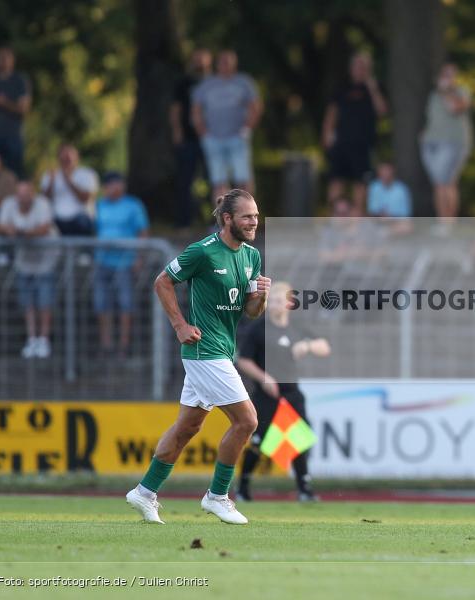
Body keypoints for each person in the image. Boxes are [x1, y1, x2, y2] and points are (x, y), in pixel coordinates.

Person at [125, 189, 271, 525]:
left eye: (256, 216)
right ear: (227, 218)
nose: (254, 222)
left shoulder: (251, 256)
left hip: (221, 350)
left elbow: (249, 312)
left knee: (187, 427)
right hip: (203, 350)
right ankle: (217, 496)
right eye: (247, 216)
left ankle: (145, 492)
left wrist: (261, 297)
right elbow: (162, 282)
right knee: (247, 420)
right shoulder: (203, 252)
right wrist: (179, 325)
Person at [236, 282, 331, 502]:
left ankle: (304, 489)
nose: (274, 306)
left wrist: (307, 346)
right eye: (271, 301)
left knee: (300, 439)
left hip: (291, 391)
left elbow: (324, 347)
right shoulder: (258, 328)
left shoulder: (296, 327)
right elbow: (244, 360)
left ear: (289, 303)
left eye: (279, 301)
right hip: (266, 394)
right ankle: (243, 488)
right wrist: (264, 378)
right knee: (258, 440)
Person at [0, 181, 58, 358]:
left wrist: (21, 233)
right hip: (24, 260)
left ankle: (43, 339)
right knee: (28, 302)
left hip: (45, 260)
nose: (22, 197)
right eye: (19, 193)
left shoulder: (43, 204)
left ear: (33, 193)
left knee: (45, 301)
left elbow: (44, 228)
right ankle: (32, 338)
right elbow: (0, 226)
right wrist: (10, 230)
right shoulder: (9, 204)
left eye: (26, 193)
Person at [322, 52, 388, 214]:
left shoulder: (376, 87)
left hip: (364, 145)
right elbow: (332, 113)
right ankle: (334, 222)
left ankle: (356, 226)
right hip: (341, 144)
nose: (360, 69)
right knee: (336, 182)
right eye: (357, 65)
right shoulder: (342, 87)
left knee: (361, 185)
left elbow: (382, 111)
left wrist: (372, 88)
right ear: (351, 68)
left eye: (363, 66)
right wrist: (326, 134)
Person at [192, 50, 262, 197]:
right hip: (213, 139)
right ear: (217, 65)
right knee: (218, 182)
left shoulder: (244, 83)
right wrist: (203, 133)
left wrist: (247, 129)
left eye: (229, 62)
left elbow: (255, 107)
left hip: (237, 138)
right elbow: (196, 110)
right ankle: (222, 219)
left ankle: (247, 216)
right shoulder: (207, 85)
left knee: (243, 180)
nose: (226, 65)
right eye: (223, 62)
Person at [93, 172, 150, 356]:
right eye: (110, 184)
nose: (114, 187)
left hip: (125, 263)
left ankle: (124, 345)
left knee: (125, 304)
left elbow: (142, 231)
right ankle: (106, 345)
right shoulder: (98, 205)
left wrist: (139, 257)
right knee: (102, 304)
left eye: (117, 184)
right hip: (102, 261)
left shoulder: (133, 205)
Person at [420, 63, 473, 231]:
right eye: (444, 74)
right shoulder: (433, 95)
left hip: (453, 143)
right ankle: (444, 222)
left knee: (444, 182)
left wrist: (446, 91)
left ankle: (446, 223)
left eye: (450, 75)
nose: (446, 78)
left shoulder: (461, 92)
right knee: (441, 183)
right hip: (430, 143)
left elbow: (455, 108)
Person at [170, 48, 212, 228]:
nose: (200, 64)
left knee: (215, 181)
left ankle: (217, 222)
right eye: (197, 60)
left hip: (212, 139)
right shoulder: (183, 83)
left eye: (203, 60)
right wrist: (177, 131)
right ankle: (183, 222)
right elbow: (175, 109)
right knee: (185, 180)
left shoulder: (216, 83)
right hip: (189, 138)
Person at [0, 47, 31, 177]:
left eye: (5, 57)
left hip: (12, 136)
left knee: (14, 174)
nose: (2, 61)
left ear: (12, 60)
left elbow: (24, 109)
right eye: (0, 58)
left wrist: (5, 103)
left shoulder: (19, 81)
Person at [40, 143, 98, 235]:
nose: (66, 161)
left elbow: (85, 199)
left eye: (69, 158)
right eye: (64, 158)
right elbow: (44, 200)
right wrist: (51, 183)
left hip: (80, 219)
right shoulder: (50, 175)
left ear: (77, 158)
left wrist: (69, 181)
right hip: (57, 219)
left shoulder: (88, 174)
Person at [367, 162, 412, 236]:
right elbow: (372, 210)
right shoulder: (374, 187)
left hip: (396, 221)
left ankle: (386, 233)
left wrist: (391, 217)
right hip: (379, 220)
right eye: (382, 170)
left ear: (392, 171)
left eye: (387, 170)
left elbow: (405, 213)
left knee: (407, 226)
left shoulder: (402, 189)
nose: (384, 173)